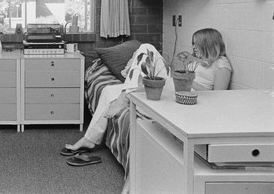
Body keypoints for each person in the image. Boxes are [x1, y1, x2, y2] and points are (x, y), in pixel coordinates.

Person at [63, 28, 232, 154]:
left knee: (148, 49)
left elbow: (218, 97)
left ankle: (125, 96)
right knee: (108, 90)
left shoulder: (221, 64)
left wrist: (188, 79)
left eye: (197, 43)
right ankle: (90, 139)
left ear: (208, 44)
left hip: (187, 94)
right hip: (176, 87)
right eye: (193, 43)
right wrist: (180, 70)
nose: (194, 46)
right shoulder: (197, 62)